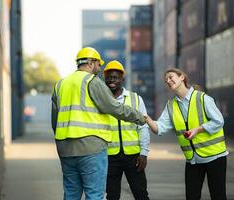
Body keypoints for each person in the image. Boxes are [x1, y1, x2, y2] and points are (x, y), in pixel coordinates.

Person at [51, 47, 146, 200]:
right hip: (91, 149)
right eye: (98, 64)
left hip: (65, 149)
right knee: (94, 195)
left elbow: (55, 121)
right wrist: (141, 117)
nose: (100, 68)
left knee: (71, 194)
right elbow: (114, 107)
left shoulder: (60, 84)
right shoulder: (92, 81)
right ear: (90, 62)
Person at [144, 67, 228, 200]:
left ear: (181, 77)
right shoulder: (171, 105)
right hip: (193, 160)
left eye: (171, 77)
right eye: (166, 80)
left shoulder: (202, 98)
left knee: (218, 196)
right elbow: (159, 128)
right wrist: (147, 118)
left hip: (215, 156)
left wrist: (198, 129)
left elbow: (218, 121)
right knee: (192, 196)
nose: (168, 81)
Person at [103, 60, 150, 200]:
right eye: (109, 77)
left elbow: (143, 127)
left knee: (141, 194)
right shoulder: (101, 100)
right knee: (112, 196)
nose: (112, 80)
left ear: (122, 78)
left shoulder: (135, 99)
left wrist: (144, 153)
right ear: (105, 78)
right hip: (109, 156)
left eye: (116, 77)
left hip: (134, 157)